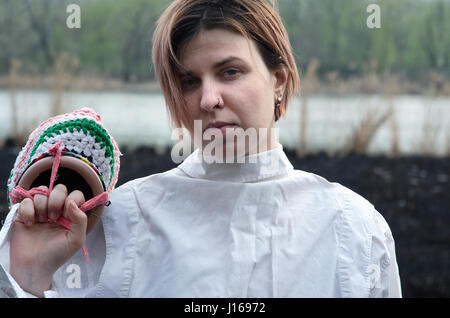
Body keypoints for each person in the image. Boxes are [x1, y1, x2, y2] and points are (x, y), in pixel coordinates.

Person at [0, 0, 401, 297]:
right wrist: (28, 276)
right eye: (189, 81)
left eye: (230, 71)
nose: (208, 98)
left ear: (278, 79)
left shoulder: (355, 229)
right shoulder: (118, 223)